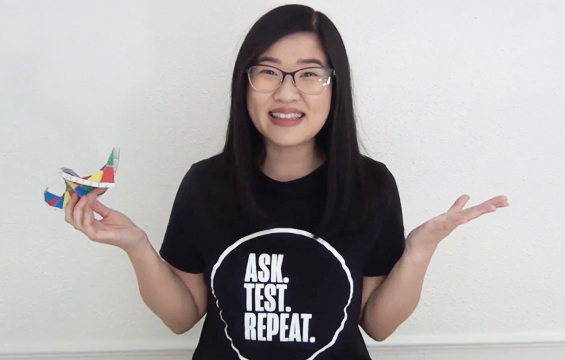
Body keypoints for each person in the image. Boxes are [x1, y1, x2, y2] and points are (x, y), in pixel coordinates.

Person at [64, 4, 509, 360]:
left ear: (336, 87)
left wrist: (419, 251)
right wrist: (137, 245)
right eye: (268, 71)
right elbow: (183, 317)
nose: (286, 92)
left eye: (310, 74)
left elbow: (377, 324)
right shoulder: (206, 184)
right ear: (246, 83)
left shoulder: (370, 184)